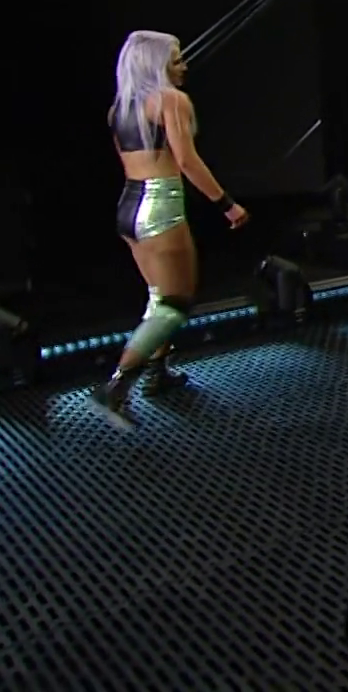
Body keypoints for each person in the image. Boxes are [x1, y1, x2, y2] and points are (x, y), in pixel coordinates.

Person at [91, 31, 248, 428]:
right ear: (155, 65)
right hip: (159, 206)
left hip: (129, 205)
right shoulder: (170, 101)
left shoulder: (118, 109)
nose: (183, 66)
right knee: (175, 304)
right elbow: (187, 161)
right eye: (175, 59)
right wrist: (227, 204)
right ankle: (116, 385)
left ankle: (157, 373)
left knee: (159, 296)